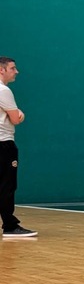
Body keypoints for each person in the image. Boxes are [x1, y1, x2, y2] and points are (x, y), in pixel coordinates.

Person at [0, 57, 36, 238]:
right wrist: (20, 113)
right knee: (7, 185)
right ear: (2, 70)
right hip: (4, 144)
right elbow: (15, 119)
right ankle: (10, 226)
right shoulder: (3, 91)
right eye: (13, 68)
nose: (17, 71)